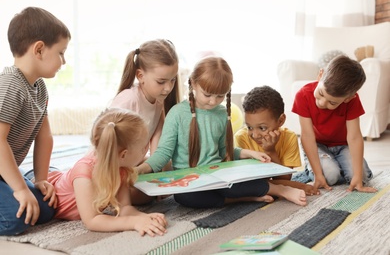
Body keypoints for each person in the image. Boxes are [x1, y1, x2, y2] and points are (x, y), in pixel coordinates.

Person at [136, 56, 307, 208]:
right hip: (192, 181)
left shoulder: (221, 114)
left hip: (219, 174)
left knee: (237, 182)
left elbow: (224, 150)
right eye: (208, 94)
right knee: (184, 198)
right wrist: (143, 169)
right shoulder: (177, 113)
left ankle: (278, 189)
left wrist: (248, 153)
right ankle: (245, 199)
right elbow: (164, 152)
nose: (213, 101)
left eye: (220, 96)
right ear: (194, 83)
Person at [0, 7, 71, 236]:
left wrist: (41, 179)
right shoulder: (11, 85)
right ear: (39, 49)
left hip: (4, 171)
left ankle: (27, 180)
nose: (64, 61)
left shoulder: (39, 88)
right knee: (17, 219)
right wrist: (20, 189)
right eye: (61, 52)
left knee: (46, 208)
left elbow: (44, 137)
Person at [46, 108, 167, 236]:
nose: (147, 151)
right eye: (144, 148)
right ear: (124, 154)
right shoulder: (84, 173)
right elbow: (92, 220)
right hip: (45, 189)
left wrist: (143, 218)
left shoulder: (121, 169)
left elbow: (124, 208)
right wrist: (133, 223)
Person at [291, 55, 377, 193]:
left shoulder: (353, 101)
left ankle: (340, 165)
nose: (322, 103)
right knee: (330, 176)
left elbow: (354, 137)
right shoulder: (303, 95)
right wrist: (318, 175)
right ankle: (318, 168)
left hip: (344, 145)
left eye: (332, 103)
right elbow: (307, 136)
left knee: (362, 176)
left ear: (348, 98)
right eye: (321, 93)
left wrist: (357, 176)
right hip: (318, 146)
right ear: (320, 75)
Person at [110, 39, 179, 204]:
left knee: (175, 166)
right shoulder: (128, 100)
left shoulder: (158, 102)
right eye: (161, 81)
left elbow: (158, 146)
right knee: (142, 196)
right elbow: (106, 146)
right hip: (110, 166)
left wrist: (159, 175)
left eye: (173, 80)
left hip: (131, 163)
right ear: (140, 76)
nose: (168, 88)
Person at [235, 86, 319, 195]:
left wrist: (270, 151)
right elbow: (247, 182)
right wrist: (297, 186)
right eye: (249, 127)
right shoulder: (241, 138)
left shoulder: (289, 138)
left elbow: (284, 178)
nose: (255, 135)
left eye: (262, 128)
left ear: (280, 120)